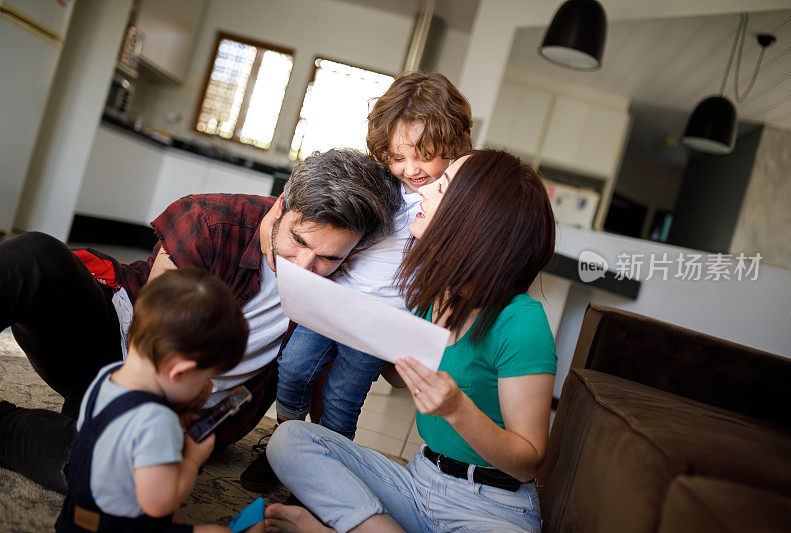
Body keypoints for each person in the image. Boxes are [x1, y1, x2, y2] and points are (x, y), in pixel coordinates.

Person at [0, 148, 401, 493]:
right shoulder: (211, 220)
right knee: (37, 255)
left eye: (329, 259)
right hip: (119, 351)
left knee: (115, 470)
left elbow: (356, 377)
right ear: (281, 206)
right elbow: (152, 338)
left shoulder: (350, 282)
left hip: (194, 417)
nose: (306, 267)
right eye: (299, 242)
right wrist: (137, 413)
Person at [262, 149, 558, 532]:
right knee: (289, 440)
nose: (425, 190)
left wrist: (456, 409)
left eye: (443, 186)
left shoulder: (521, 322)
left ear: (471, 220)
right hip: (419, 482)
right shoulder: (432, 297)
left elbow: (529, 460)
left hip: (490, 507)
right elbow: (400, 377)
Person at [270, 72, 472, 443]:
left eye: (425, 156)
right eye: (398, 157)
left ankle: (331, 461)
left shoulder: (450, 202)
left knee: (343, 398)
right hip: (334, 300)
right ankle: (286, 439)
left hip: (383, 320)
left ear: (454, 144)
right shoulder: (377, 182)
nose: (412, 169)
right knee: (293, 367)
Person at [57, 268, 250, 532]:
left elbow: (124, 442)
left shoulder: (107, 376)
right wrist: (192, 459)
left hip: (74, 521)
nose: (209, 385)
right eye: (208, 376)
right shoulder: (157, 421)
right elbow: (159, 503)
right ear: (179, 371)